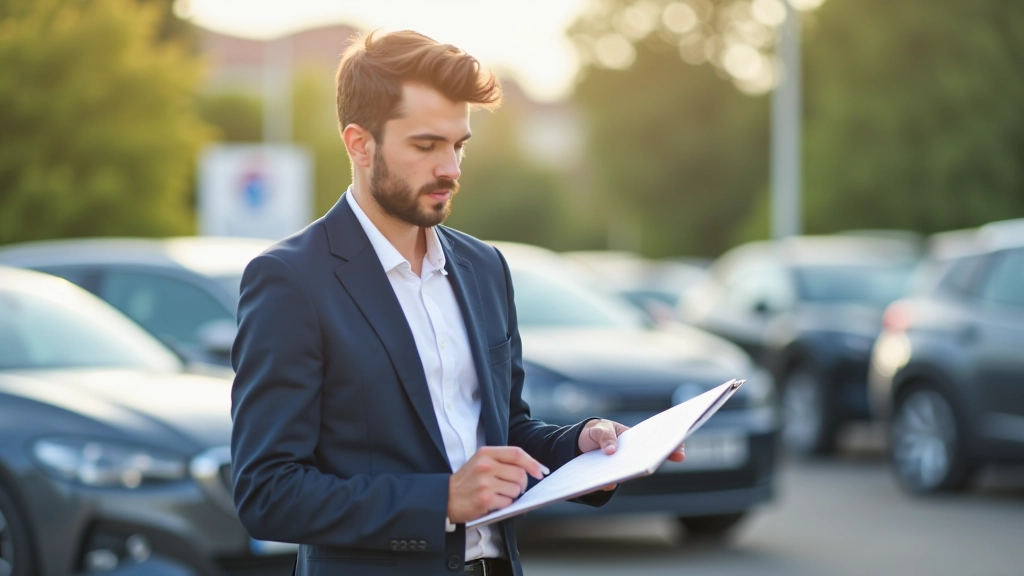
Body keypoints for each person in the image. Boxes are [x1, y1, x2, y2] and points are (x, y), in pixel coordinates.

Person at [229, 30, 684, 576]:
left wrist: (581, 446)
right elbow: (266, 493)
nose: (451, 168)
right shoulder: (290, 281)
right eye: (426, 146)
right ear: (359, 143)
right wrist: (440, 500)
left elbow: (505, 431)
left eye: (459, 144)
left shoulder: (484, 267)